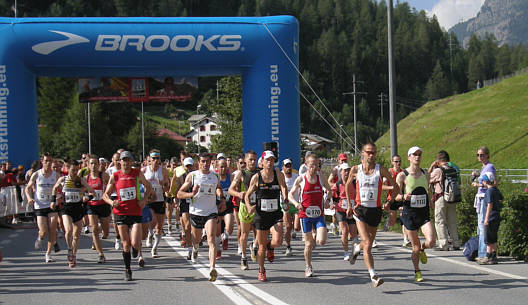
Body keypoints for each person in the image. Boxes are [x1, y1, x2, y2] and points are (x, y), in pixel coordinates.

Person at [346, 142, 400, 287]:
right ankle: (373, 276)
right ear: (362, 153)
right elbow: (347, 185)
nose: (371, 155)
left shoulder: (380, 169)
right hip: (360, 210)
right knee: (368, 244)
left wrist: (389, 202)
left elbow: (395, 186)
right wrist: (350, 205)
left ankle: (357, 248)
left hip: (375, 211)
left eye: (374, 153)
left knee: (367, 242)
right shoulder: (356, 169)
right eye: (368, 152)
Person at [103, 151, 152, 281]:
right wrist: (112, 202)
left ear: (131, 161)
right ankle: (128, 270)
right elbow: (105, 195)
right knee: (126, 244)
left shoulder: (137, 173)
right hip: (121, 212)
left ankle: (135, 250)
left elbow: (148, 186)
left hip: (135, 211)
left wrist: (144, 200)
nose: (125, 163)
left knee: (136, 242)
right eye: (123, 160)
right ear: (120, 162)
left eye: (128, 160)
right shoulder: (115, 176)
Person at [177, 152, 226, 282]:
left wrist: (221, 198)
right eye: (203, 161)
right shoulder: (192, 176)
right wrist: (191, 194)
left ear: (211, 163)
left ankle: (212, 268)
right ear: (198, 163)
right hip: (196, 212)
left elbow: (218, 188)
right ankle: (195, 248)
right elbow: (179, 194)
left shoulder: (215, 176)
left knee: (211, 239)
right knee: (197, 239)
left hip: (211, 211)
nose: (205, 164)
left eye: (207, 161)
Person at [244, 151, 289, 282]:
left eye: (272, 160)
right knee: (261, 247)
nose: (270, 162)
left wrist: (285, 198)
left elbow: (284, 187)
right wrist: (248, 206)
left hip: (275, 213)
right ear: (262, 162)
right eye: (267, 160)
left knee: (279, 240)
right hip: (261, 215)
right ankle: (261, 269)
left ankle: (271, 247)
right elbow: (247, 195)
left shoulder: (278, 174)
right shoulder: (257, 177)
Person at [395, 146, 436, 283]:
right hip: (409, 214)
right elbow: (395, 196)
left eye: (419, 154)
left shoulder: (426, 174)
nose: (417, 157)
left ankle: (424, 249)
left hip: (423, 213)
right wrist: (403, 196)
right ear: (409, 157)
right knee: (415, 248)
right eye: (414, 154)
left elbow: (427, 191)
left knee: (431, 241)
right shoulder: (402, 175)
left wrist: (430, 201)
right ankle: (417, 271)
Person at [289, 153, 332, 277]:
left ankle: (314, 235)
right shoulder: (301, 179)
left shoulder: (321, 177)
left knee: (322, 241)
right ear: (306, 165)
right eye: (312, 165)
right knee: (308, 244)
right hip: (305, 214)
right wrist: (296, 203)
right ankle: (308, 267)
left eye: (316, 165)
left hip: (318, 214)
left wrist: (327, 200)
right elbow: (290, 195)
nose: (314, 167)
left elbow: (329, 190)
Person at [51, 160, 95, 268]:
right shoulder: (63, 179)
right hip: (66, 209)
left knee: (77, 236)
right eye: (72, 170)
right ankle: (70, 249)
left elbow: (92, 192)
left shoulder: (81, 180)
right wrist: (53, 200)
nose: (75, 172)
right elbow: (54, 188)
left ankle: (74, 255)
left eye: (76, 170)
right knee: (69, 230)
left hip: (78, 209)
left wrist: (87, 198)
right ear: (68, 169)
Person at [25, 153, 59, 263]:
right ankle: (40, 238)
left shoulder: (55, 175)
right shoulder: (36, 174)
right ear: (42, 162)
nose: (48, 163)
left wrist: (60, 196)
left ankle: (48, 254)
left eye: (50, 161)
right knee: (43, 231)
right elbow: (27, 188)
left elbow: (61, 189)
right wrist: (30, 198)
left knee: (53, 227)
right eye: (46, 161)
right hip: (39, 205)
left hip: (52, 205)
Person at [228, 150, 259, 271]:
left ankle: (254, 246)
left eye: (254, 160)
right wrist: (238, 193)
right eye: (250, 159)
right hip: (245, 206)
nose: (252, 162)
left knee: (259, 232)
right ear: (245, 161)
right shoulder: (241, 173)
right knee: (245, 233)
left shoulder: (259, 172)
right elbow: (231, 189)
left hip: (257, 205)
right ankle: (244, 257)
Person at [429, 150, 461, 251]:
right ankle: (456, 243)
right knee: (452, 221)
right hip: (452, 197)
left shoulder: (438, 170)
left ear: (438, 161)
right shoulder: (453, 168)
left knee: (440, 221)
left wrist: (431, 167)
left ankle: (443, 244)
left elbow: (427, 178)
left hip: (441, 197)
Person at [142, 149, 170, 258]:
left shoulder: (163, 171)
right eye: (153, 158)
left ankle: (154, 248)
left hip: (159, 200)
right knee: (152, 222)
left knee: (159, 227)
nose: (155, 160)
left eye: (157, 158)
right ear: (149, 159)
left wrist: (163, 184)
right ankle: (150, 232)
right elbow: (139, 185)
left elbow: (168, 188)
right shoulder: (144, 170)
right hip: (149, 200)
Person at [472, 146, 497, 260]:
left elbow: (493, 183)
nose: (480, 157)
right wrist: (478, 177)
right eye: (478, 155)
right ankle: (483, 252)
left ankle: (483, 253)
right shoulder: (484, 167)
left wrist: (479, 184)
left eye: (482, 155)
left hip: (484, 197)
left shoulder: (490, 167)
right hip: (481, 197)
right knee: (480, 226)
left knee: (483, 225)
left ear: (487, 155)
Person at [329, 163, 357, 261]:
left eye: (348, 170)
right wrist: (332, 204)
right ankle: (346, 252)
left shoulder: (354, 183)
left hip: (351, 210)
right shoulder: (337, 185)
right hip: (340, 210)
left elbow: (358, 195)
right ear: (340, 172)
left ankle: (355, 250)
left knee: (353, 233)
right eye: (345, 170)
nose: (347, 172)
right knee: (344, 231)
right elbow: (331, 196)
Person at [85, 155, 111, 263]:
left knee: (106, 233)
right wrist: (84, 196)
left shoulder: (104, 175)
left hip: (103, 205)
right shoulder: (86, 178)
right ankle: (101, 254)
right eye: (91, 163)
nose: (94, 166)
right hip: (92, 206)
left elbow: (112, 185)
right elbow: (82, 191)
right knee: (94, 229)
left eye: (95, 163)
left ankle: (100, 233)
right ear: (88, 165)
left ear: (99, 165)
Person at [170, 157, 195, 258]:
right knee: (187, 226)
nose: (189, 168)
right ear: (184, 166)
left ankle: (194, 245)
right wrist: (174, 197)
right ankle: (190, 249)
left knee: (195, 227)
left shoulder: (198, 175)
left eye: (190, 166)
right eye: (187, 166)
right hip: (184, 202)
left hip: (196, 202)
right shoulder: (180, 176)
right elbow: (175, 188)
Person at [383, 154, 409, 247]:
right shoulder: (389, 172)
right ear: (392, 162)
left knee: (403, 217)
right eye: (396, 161)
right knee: (392, 222)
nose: (398, 163)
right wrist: (392, 187)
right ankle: (388, 221)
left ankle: (406, 240)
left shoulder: (404, 172)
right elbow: (382, 186)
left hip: (401, 197)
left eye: (399, 161)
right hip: (392, 198)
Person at [477, 172, 503, 265]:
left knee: (488, 239)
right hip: (496, 216)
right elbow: (501, 199)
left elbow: (489, 205)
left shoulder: (489, 191)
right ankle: (494, 256)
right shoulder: (496, 190)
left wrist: (486, 219)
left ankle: (488, 257)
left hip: (490, 217)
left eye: (483, 180)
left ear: (486, 181)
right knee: (494, 237)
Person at [281, 158, 300, 256]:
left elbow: (302, 187)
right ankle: (288, 246)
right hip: (285, 204)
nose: (288, 168)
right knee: (287, 227)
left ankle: (293, 230)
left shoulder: (296, 176)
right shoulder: (281, 177)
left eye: (290, 166)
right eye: (286, 166)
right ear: (283, 167)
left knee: (297, 227)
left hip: (296, 203)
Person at [216, 158, 234, 258]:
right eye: (221, 166)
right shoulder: (214, 178)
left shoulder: (230, 177)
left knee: (230, 227)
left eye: (225, 166)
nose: (223, 169)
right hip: (217, 207)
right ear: (217, 167)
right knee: (217, 232)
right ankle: (218, 250)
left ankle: (225, 236)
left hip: (228, 206)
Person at [106, 152, 122, 250]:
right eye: (115, 160)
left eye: (119, 160)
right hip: (114, 196)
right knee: (115, 220)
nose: (117, 162)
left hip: (123, 196)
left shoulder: (125, 170)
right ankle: (117, 238)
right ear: (113, 160)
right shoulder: (110, 171)